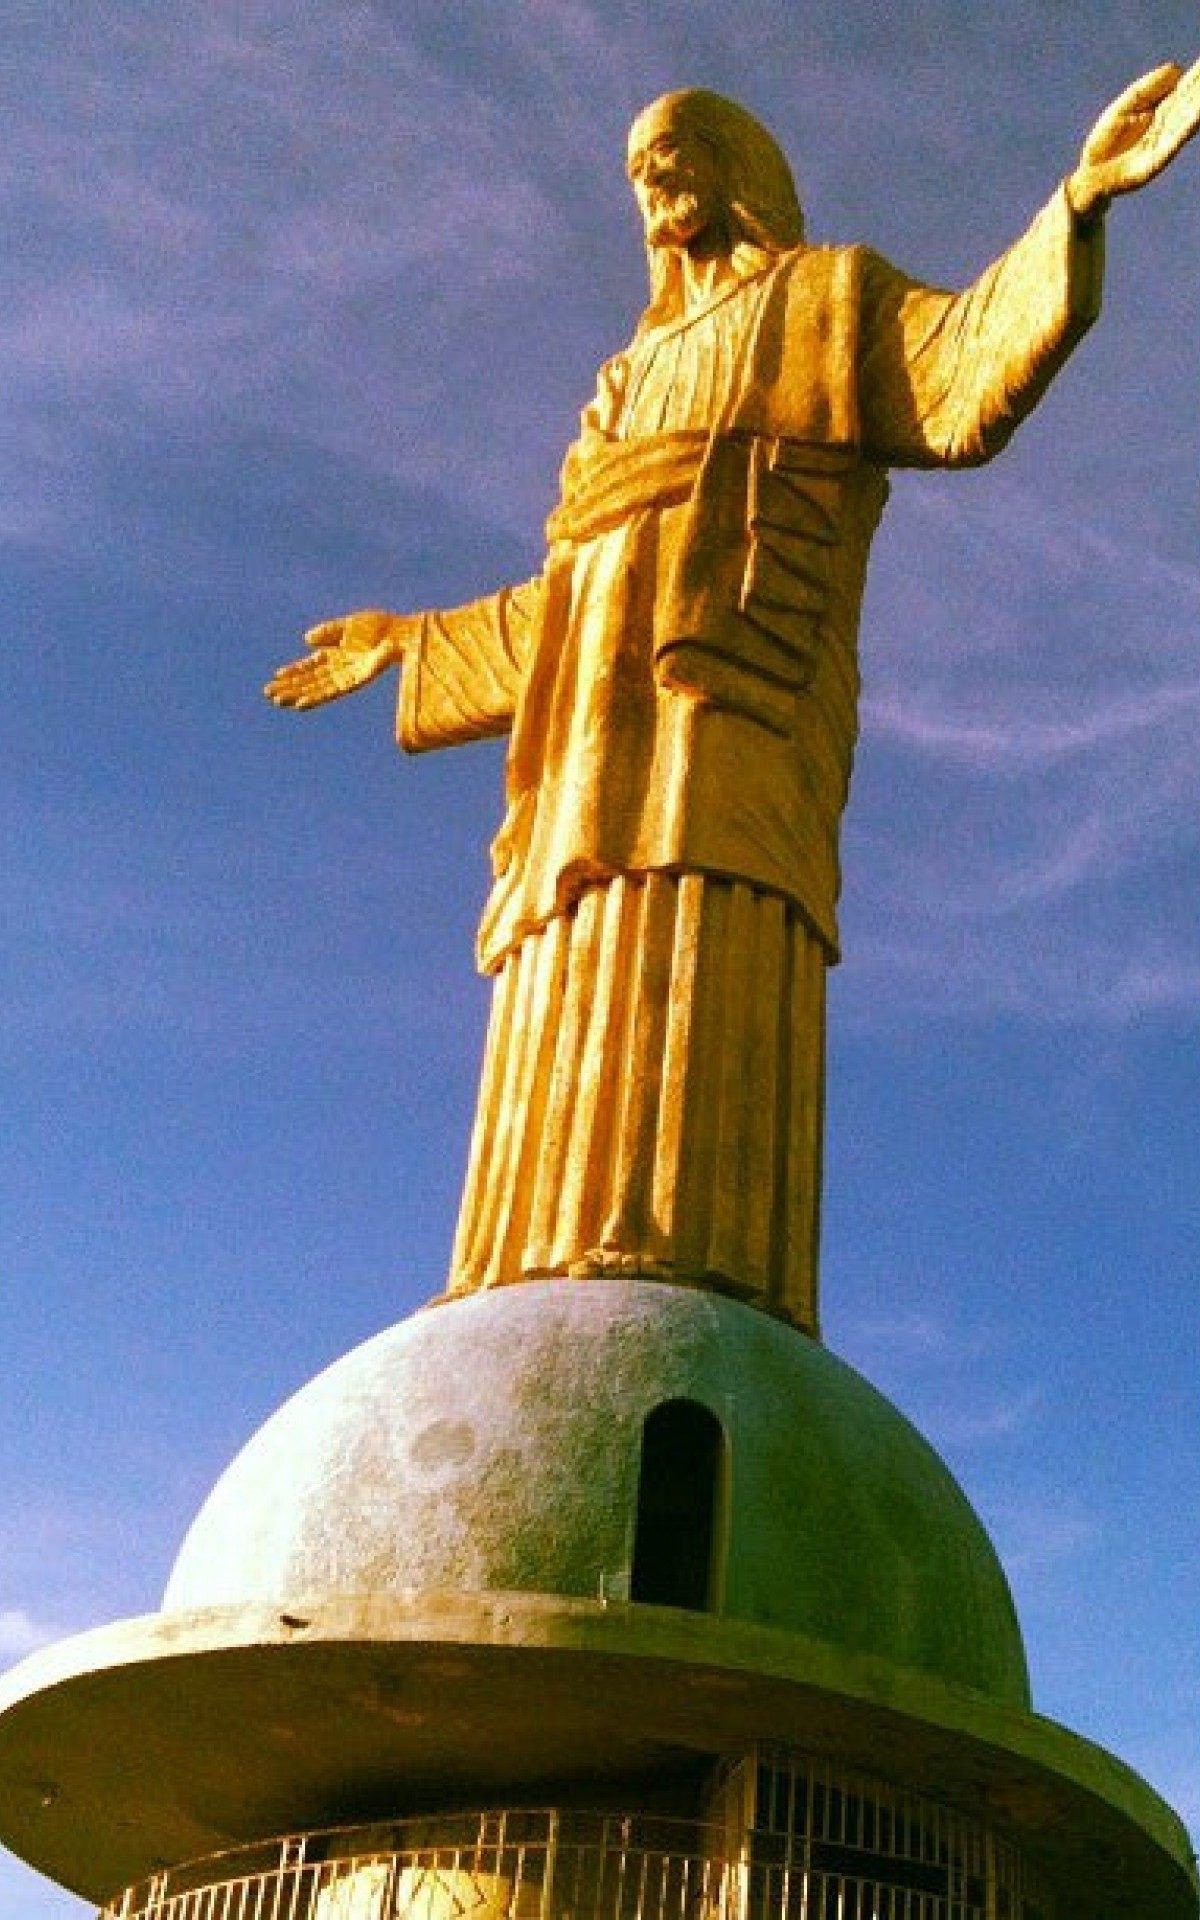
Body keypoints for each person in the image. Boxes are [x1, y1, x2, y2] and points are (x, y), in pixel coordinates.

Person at [267, 68, 1200, 1336]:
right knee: (574, 939)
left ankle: (709, 1271)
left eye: (673, 153)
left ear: (734, 170)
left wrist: (1078, 204)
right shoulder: (617, 385)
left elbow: (961, 378)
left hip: (734, 709)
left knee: (717, 933)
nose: (653, 185)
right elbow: (578, 593)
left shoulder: (825, 301)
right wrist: (413, 643)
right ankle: (531, 1265)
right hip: (592, 739)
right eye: (639, 169)